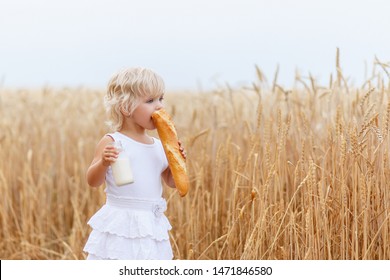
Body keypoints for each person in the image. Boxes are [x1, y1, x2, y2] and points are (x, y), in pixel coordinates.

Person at [83, 67, 185, 260]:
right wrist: (104, 162)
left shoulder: (159, 145)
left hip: (150, 225)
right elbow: (93, 181)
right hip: (122, 224)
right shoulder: (113, 141)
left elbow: (172, 182)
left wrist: (176, 161)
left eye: (160, 99)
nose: (159, 107)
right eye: (150, 101)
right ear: (126, 107)